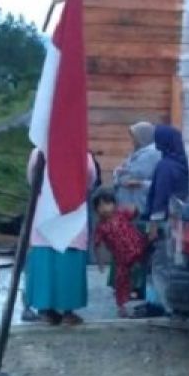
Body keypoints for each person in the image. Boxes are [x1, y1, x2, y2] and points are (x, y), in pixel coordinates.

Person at [23, 147, 98, 326]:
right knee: (68, 266)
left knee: (45, 264)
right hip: (71, 214)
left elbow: (32, 179)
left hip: (45, 215)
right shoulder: (81, 153)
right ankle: (67, 313)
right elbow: (90, 179)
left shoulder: (39, 151)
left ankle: (46, 311)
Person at [136, 125, 189, 317]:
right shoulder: (181, 163)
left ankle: (164, 306)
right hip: (179, 221)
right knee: (171, 264)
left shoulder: (165, 166)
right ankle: (158, 303)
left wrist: (153, 226)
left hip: (164, 223)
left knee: (159, 264)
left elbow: (160, 198)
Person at [110, 122, 160, 301]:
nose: (132, 140)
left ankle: (135, 286)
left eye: (135, 136)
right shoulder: (137, 154)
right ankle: (124, 284)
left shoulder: (153, 154)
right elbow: (120, 174)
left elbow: (135, 175)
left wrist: (126, 177)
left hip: (139, 207)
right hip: (127, 206)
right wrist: (119, 175)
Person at [90, 187, 148, 318]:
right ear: (96, 210)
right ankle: (122, 306)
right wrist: (100, 262)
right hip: (122, 259)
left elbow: (135, 212)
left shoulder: (121, 214)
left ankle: (142, 294)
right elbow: (97, 245)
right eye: (100, 206)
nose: (105, 208)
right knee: (121, 282)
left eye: (108, 204)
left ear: (114, 204)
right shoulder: (101, 227)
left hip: (138, 248)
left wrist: (135, 206)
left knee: (144, 272)